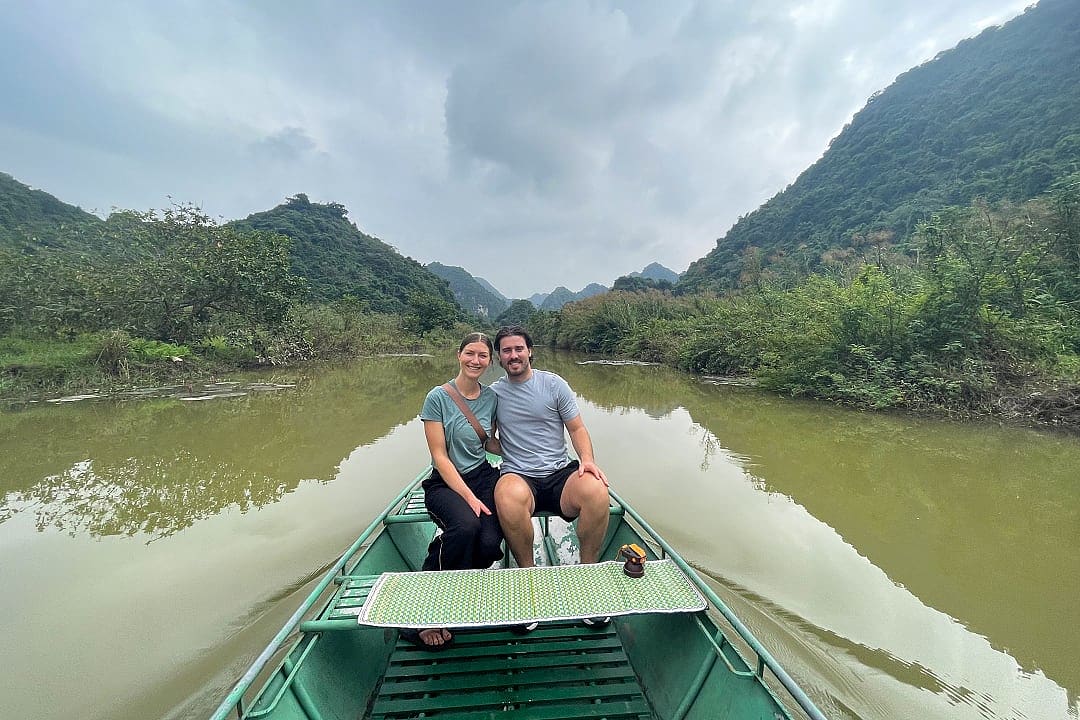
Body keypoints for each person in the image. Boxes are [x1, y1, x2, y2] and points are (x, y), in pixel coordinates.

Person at [491, 325, 611, 582]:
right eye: (507, 350)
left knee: (597, 489)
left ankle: (588, 569)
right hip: (519, 474)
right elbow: (487, 440)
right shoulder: (493, 394)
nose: (514, 355)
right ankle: (527, 573)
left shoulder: (554, 385)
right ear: (498, 357)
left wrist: (587, 460)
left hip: (559, 474)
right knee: (506, 495)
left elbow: (577, 428)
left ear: (530, 351)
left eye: (519, 349)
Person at [410, 331, 504, 649]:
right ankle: (432, 610)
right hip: (446, 483)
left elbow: (488, 441)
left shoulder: (491, 398)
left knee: (491, 545)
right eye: (470, 353)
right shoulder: (437, 397)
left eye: (482, 356)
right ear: (459, 355)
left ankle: (454, 574)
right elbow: (439, 455)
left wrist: (529, 453)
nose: (475, 360)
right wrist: (468, 496)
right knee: (466, 526)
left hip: (483, 476)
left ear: (490, 361)